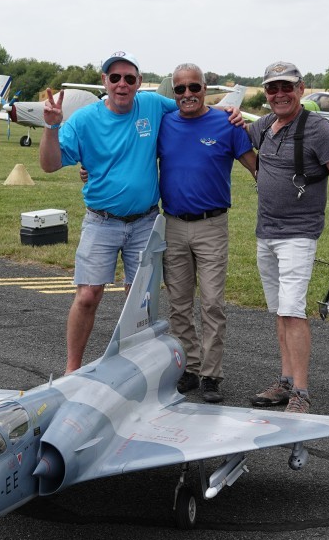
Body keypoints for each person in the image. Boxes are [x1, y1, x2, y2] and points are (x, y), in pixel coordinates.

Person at [38, 51, 178, 373]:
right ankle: (72, 369)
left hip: (145, 221)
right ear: (105, 81)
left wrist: (227, 113)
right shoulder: (84, 121)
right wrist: (51, 126)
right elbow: (49, 165)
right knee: (88, 295)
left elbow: (191, 110)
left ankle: (136, 368)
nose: (122, 84)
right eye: (115, 78)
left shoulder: (153, 105)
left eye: (129, 78)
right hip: (101, 221)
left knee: (139, 301)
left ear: (139, 82)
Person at [245, 61, 329, 413]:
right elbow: (233, 140)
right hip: (266, 233)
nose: (279, 94)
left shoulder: (318, 130)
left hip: (298, 235)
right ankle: (285, 382)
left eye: (286, 87)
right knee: (281, 311)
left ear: (301, 89)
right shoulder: (265, 125)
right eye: (272, 88)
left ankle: (301, 392)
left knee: (293, 310)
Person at [158, 63, 257, 403]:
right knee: (179, 304)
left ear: (205, 89)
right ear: (174, 92)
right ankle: (190, 368)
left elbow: (257, 167)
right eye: (180, 89)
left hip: (211, 225)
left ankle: (212, 375)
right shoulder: (165, 123)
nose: (187, 94)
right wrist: (89, 169)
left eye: (194, 87)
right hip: (173, 224)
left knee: (212, 303)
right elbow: (132, 156)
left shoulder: (227, 123)